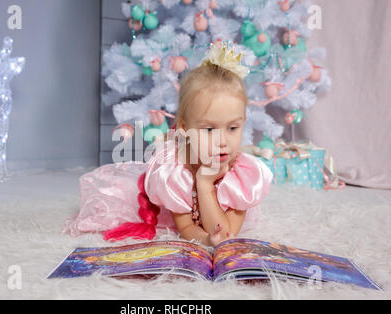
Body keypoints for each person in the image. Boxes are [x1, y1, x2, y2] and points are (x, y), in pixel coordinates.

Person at [64, 42, 273, 247]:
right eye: (209, 130)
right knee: (117, 196)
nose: (223, 141)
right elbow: (187, 229)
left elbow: (225, 232)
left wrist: (207, 187)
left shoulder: (243, 176)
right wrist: (203, 188)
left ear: (243, 122)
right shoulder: (174, 172)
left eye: (233, 128)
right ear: (184, 128)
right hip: (156, 198)